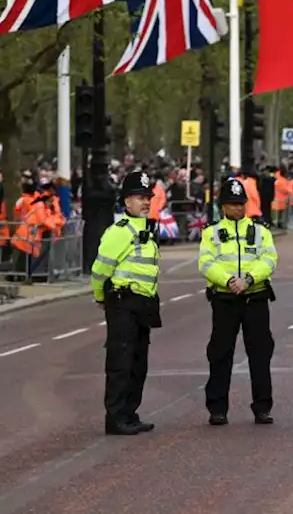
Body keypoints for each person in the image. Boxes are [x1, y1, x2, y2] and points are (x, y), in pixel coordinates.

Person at [200, 177, 278, 426]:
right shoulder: (210, 233)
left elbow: (269, 259)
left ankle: (262, 407)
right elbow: (206, 263)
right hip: (224, 299)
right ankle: (217, 409)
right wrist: (228, 281)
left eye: (240, 204)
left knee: (260, 352)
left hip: (254, 297)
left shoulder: (260, 231)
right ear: (222, 206)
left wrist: (248, 279)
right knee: (220, 353)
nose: (237, 208)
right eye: (232, 204)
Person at [91, 170, 162, 435]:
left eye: (147, 197)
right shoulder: (119, 232)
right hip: (123, 303)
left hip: (143, 304)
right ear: (126, 202)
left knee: (138, 363)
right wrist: (100, 296)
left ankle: (130, 413)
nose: (145, 202)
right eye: (139, 197)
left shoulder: (147, 230)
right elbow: (100, 270)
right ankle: (116, 417)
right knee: (121, 362)